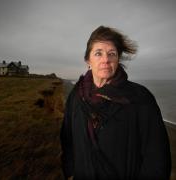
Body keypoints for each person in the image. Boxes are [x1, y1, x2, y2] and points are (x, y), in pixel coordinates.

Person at [60, 26, 171, 180]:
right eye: (98, 53)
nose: (105, 59)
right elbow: (67, 139)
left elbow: (157, 156)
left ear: (118, 59)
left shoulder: (140, 98)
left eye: (111, 54)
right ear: (88, 60)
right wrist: (70, 173)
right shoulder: (76, 96)